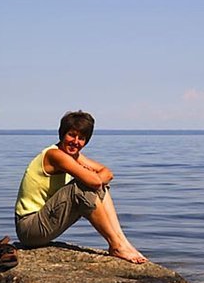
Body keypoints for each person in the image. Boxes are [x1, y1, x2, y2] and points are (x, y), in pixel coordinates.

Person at [14, 111, 147, 264]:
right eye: (71, 135)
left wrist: (96, 180)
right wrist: (95, 179)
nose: (75, 141)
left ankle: (122, 242)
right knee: (81, 187)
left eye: (81, 138)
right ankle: (116, 245)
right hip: (29, 228)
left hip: (42, 224)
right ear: (62, 134)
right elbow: (94, 181)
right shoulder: (54, 155)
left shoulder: (73, 155)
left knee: (99, 186)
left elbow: (107, 173)